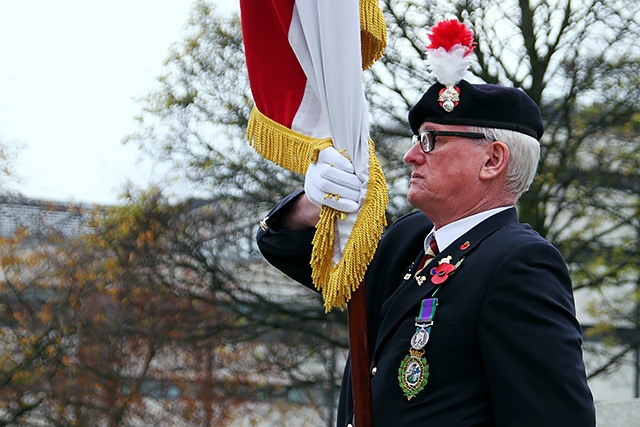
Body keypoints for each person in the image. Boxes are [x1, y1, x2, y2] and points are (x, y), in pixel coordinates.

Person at [256, 19, 595, 427]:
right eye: (417, 139)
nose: (411, 155)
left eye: (431, 140)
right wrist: (311, 205)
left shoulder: (519, 263)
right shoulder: (410, 239)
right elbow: (304, 257)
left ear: (493, 160)